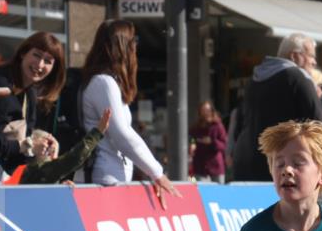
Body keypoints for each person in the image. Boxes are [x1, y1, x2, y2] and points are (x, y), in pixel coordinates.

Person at [80, 20, 179, 208]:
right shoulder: (104, 83)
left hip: (110, 177)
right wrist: (156, 172)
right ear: (122, 46)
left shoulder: (107, 82)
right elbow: (121, 134)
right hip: (105, 179)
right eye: (134, 41)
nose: (136, 47)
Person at [0, 31, 66, 184]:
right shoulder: (0, 84)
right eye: (37, 55)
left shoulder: (29, 92)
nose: (40, 65)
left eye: (48, 61)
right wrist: (28, 146)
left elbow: (23, 140)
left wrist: (44, 143)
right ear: (23, 53)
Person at [232, 33, 322, 182]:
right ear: (295, 56)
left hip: (246, 165)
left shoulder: (254, 80)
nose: (314, 62)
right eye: (310, 56)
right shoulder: (297, 77)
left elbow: (240, 122)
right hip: (281, 170)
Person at [20, 109, 110, 185]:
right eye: (49, 143)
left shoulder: (32, 172)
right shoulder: (39, 170)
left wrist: (59, 188)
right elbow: (74, 158)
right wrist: (97, 132)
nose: (53, 148)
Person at [189, 101, 227, 183]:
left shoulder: (217, 126)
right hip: (200, 166)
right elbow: (192, 139)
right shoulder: (196, 128)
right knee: (202, 189)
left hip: (215, 165)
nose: (205, 113)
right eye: (203, 111)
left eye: (207, 111)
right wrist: (192, 145)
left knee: (219, 192)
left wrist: (212, 142)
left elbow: (223, 145)